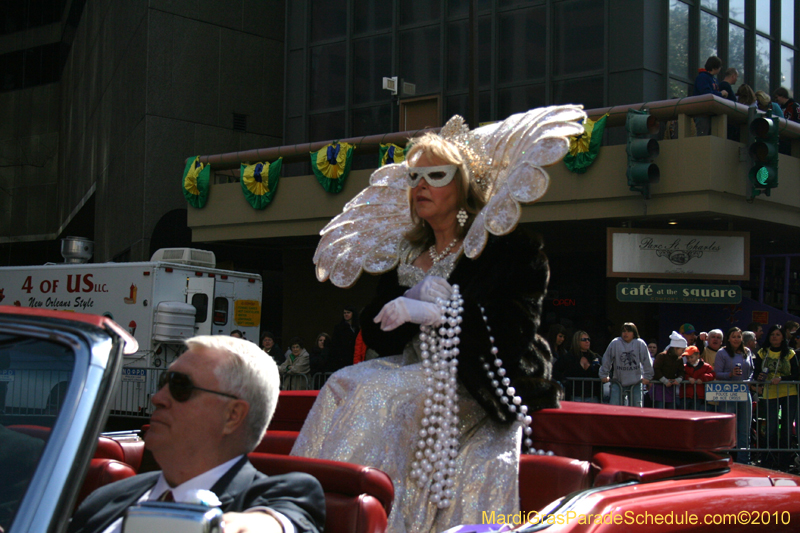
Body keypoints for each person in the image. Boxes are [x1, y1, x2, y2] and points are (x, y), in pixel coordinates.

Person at [293, 107, 583, 533]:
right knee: (340, 385)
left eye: (435, 176)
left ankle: (374, 523)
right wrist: (408, 299)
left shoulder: (507, 249)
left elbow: (512, 332)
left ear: (463, 184)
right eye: (413, 178)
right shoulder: (410, 253)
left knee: (381, 394)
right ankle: (305, 514)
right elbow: (378, 331)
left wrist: (442, 311)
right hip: (413, 369)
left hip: (471, 380)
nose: (420, 187)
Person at [69, 335, 325, 533]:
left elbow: (284, 520)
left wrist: (253, 524)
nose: (157, 398)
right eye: (162, 383)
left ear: (232, 415)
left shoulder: (276, 497)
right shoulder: (108, 497)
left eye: (180, 386)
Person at [756, 324, 799, 471]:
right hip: (770, 394)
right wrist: (760, 377)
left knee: (786, 427)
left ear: (783, 337)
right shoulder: (762, 352)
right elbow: (756, 373)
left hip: (789, 393)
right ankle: (768, 461)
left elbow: (797, 374)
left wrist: (782, 378)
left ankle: (785, 462)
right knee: (771, 428)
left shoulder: (790, 353)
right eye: (772, 334)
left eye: (778, 334)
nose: (775, 337)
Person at [714, 327, 754, 464]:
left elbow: (752, 370)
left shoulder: (747, 352)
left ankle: (744, 460)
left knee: (744, 429)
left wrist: (750, 381)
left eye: (739, 336)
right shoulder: (722, 353)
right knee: (726, 428)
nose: (736, 339)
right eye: (734, 336)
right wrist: (730, 374)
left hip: (744, 391)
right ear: (729, 339)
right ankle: (723, 458)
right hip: (727, 392)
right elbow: (717, 374)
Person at [599, 322, 653, 407]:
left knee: (636, 407)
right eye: (623, 331)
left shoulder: (640, 343)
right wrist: (604, 374)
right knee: (614, 407)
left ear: (634, 333)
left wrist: (647, 376)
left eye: (629, 331)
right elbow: (607, 359)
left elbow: (647, 361)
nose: (626, 333)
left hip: (636, 382)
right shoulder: (615, 343)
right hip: (618, 381)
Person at [555, 330, 601, 402]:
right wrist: (564, 380)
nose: (587, 341)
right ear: (577, 341)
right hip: (574, 396)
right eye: (584, 339)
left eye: (588, 339)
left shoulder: (595, 357)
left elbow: (605, 370)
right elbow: (555, 370)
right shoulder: (568, 357)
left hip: (592, 396)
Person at [652, 332, 686, 409]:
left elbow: (682, 371)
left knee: (671, 410)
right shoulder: (661, 356)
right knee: (659, 410)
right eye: (682, 350)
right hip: (659, 387)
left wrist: (679, 379)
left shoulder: (679, 359)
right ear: (676, 348)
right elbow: (656, 369)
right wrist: (664, 380)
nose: (683, 352)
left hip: (670, 389)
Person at [693, 56, 726, 135]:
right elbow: (706, 94)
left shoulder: (713, 79)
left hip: (711, 113)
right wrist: (721, 94)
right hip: (702, 113)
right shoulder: (702, 77)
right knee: (703, 136)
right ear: (715, 68)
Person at [683, 345, 715, 411]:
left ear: (698, 356)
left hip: (700, 396)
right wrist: (688, 378)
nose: (689, 360)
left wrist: (702, 378)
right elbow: (681, 375)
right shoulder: (684, 367)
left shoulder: (706, 366)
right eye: (687, 358)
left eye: (691, 357)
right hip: (686, 395)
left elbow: (712, 374)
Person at [329, 307, 360, 373]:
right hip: (343, 360)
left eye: (348, 312)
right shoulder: (339, 328)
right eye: (344, 313)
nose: (346, 314)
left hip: (354, 358)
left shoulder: (357, 328)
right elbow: (335, 344)